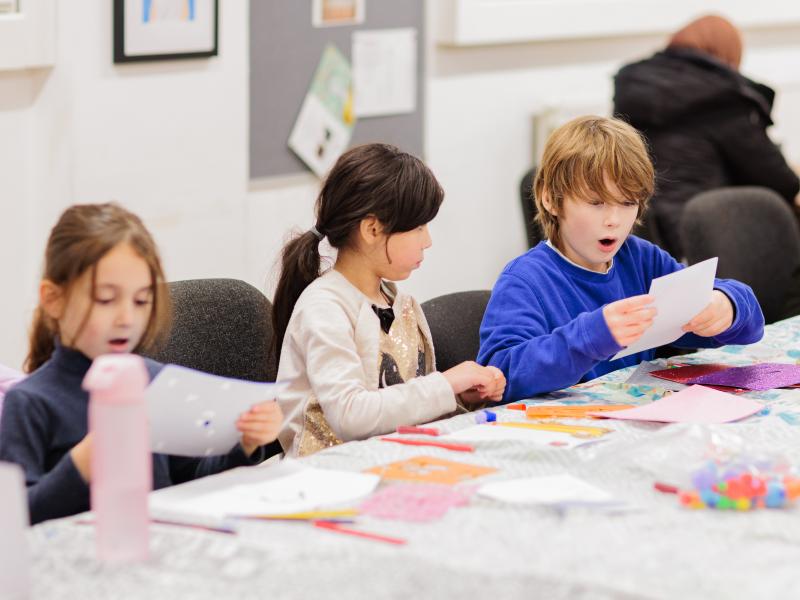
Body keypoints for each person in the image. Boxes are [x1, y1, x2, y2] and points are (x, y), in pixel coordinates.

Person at [0, 203, 283, 524]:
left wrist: (244, 443)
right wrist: (81, 464)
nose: (126, 319)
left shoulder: (153, 381)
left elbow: (188, 475)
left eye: (141, 301)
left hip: (162, 550)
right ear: (53, 299)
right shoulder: (30, 402)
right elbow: (16, 518)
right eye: (106, 300)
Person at [477, 116, 764, 401]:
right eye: (595, 203)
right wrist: (591, 337)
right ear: (551, 199)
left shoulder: (640, 259)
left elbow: (750, 326)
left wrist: (727, 305)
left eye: (627, 203)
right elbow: (499, 376)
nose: (613, 220)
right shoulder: (525, 280)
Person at [273, 143, 506, 457]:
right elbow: (351, 416)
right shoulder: (325, 308)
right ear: (372, 229)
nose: (428, 241)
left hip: (390, 461)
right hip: (327, 477)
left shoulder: (399, 303)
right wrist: (445, 384)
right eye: (419, 227)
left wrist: (461, 396)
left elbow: (405, 403)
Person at [613, 14, 800, 259]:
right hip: (704, 235)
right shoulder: (723, 96)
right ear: (728, 53)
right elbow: (777, 178)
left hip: (638, 231)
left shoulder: (634, 89)